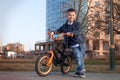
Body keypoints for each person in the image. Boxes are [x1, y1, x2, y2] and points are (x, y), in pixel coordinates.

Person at [50, 8, 86, 78]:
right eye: (69, 15)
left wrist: (71, 33)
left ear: (75, 16)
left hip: (81, 43)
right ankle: (79, 71)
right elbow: (58, 30)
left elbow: (79, 31)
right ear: (66, 16)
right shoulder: (65, 25)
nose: (71, 17)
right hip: (73, 45)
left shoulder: (77, 24)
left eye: (73, 15)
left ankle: (81, 72)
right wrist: (53, 32)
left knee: (80, 58)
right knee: (78, 58)